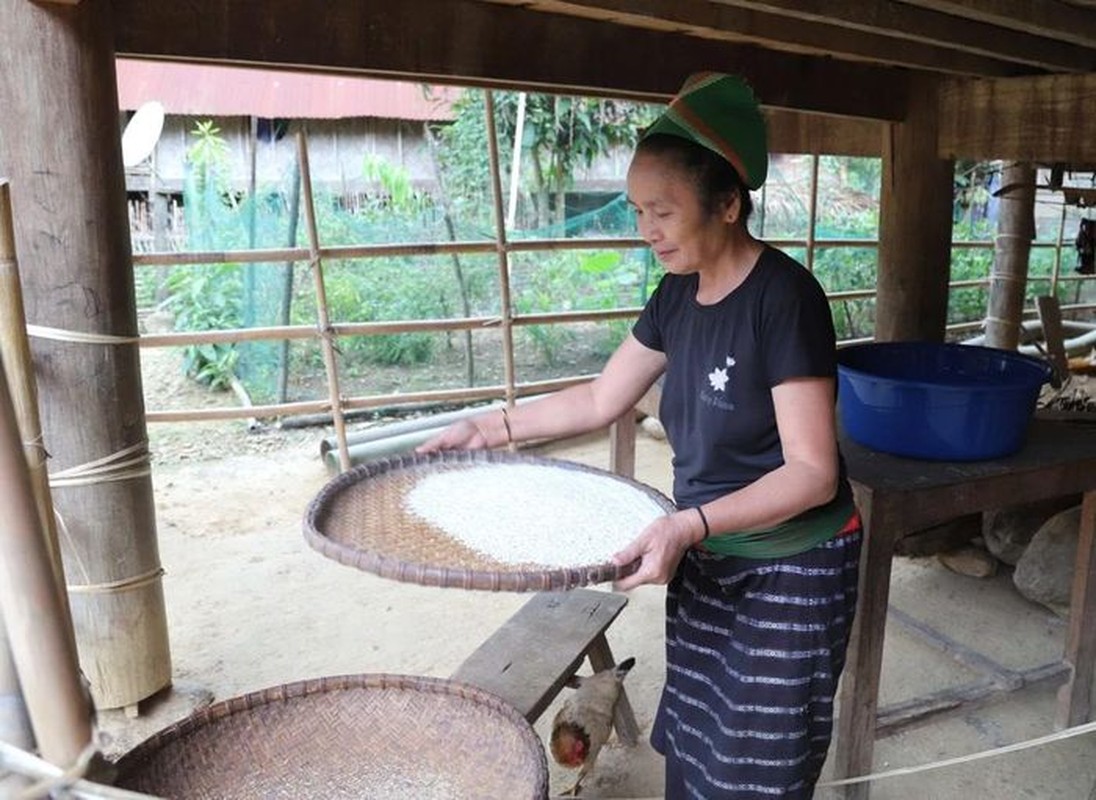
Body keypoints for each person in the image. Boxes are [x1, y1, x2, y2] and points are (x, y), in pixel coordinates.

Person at [418, 72, 862, 799]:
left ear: (726, 205)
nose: (645, 228)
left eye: (663, 210)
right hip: (704, 550)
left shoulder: (784, 299)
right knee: (693, 740)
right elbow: (601, 397)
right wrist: (491, 425)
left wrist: (689, 523)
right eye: (637, 210)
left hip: (791, 565)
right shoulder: (676, 295)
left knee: (761, 764)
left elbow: (812, 472)